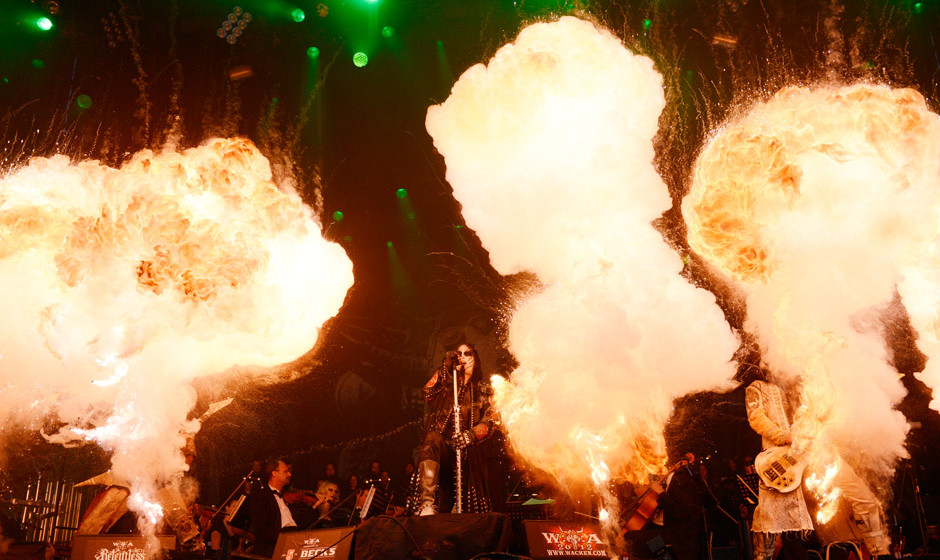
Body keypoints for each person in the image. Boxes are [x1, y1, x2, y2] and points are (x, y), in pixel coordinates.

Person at [414, 343, 497, 515]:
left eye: (468, 353)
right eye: (459, 354)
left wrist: (471, 435)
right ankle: (427, 503)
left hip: (468, 449)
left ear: (475, 358)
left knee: (458, 504)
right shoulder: (446, 384)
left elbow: (491, 421)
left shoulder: (483, 390)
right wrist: (445, 367)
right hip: (442, 443)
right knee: (431, 440)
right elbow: (427, 392)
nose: (463, 357)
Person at [745, 376, 813, 560]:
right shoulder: (756, 387)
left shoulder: (788, 385)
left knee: (793, 531)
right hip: (776, 460)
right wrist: (783, 436)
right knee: (768, 525)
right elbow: (756, 418)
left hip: (796, 462)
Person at [249, 460, 298, 557]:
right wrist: (284, 535)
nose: (289, 474)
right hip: (272, 551)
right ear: (274, 473)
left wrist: (314, 506)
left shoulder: (286, 497)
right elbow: (261, 530)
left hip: (292, 546)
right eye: (285, 471)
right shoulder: (261, 496)